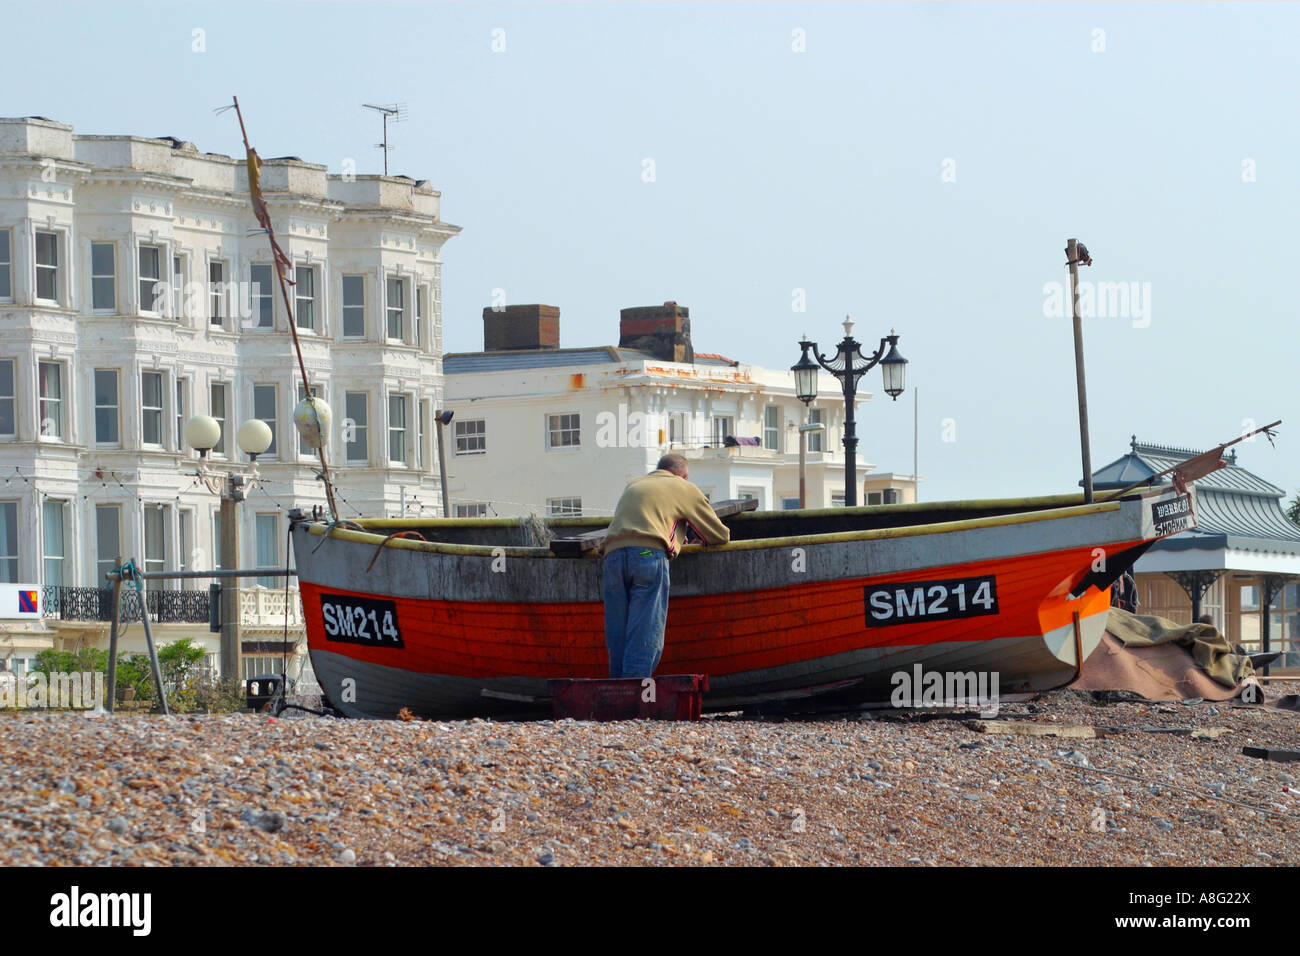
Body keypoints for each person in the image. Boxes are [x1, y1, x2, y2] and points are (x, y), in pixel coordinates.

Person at [599, 454, 731, 678]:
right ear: (684, 476)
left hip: (612, 557)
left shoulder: (635, 485)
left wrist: (677, 534)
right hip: (647, 555)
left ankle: (616, 695)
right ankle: (635, 694)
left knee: (617, 634)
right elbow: (719, 535)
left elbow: (645, 521)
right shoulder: (683, 487)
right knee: (645, 632)